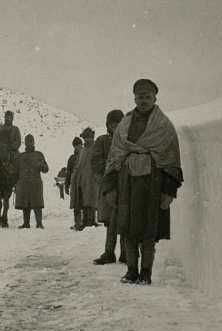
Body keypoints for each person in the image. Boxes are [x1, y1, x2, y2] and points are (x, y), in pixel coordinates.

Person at [100, 79, 183, 285]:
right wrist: (109, 186)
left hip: (152, 183)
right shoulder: (124, 125)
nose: (144, 100)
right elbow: (115, 155)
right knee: (126, 226)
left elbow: (171, 158)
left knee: (148, 227)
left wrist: (169, 190)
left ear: (155, 98)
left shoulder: (163, 126)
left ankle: (145, 272)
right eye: (140, 97)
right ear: (134, 98)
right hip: (126, 183)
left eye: (147, 97)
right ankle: (131, 270)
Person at [91, 109, 126, 265]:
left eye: (119, 123)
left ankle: (126, 252)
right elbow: (96, 162)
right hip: (109, 186)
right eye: (113, 124)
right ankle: (109, 252)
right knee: (111, 221)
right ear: (108, 125)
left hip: (126, 185)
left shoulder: (129, 140)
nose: (116, 126)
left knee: (126, 219)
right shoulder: (102, 141)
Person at [15, 134, 49, 229]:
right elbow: (16, 171)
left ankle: (39, 223)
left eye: (30, 141)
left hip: (35, 184)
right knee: (25, 205)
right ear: (25, 143)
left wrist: (41, 164)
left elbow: (46, 169)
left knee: (37, 205)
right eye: (27, 142)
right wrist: (17, 183)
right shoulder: (21, 156)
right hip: (24, 184)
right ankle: (26, 223)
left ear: (33, 142)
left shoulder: (39, 154)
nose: (29, 143)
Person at [76, 127, 99, 228]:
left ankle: (91, 221)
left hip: (92, 179)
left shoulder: (95, 148)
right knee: (85, 200)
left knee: (91, 200)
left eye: (88, 137)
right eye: (85, 138)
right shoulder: (83, 150)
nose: (86, 140)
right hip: (84, 179)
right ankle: (85, 221)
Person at [66, 137, 84, 229]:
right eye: (75, 146)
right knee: (77, 205)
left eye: (78, 145)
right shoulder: (72, 158)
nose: (77, 147)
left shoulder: (86, 155)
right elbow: (68, 172)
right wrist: (66, 185)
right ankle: (78, 223)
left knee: (85, 203)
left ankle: (85, 222)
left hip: (84, 183)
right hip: (76, 184)